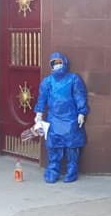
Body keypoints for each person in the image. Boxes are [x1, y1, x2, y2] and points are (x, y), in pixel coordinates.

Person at [34, 52, 89, 183]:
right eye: (54, 63)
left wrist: (81, 112)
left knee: (72, 145)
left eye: (59, 62)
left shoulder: (73, 79)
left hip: (70, 117)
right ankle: (53, 171)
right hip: (54, 118)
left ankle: (72, 171)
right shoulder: (47, 81)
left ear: (64, 63)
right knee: (53, 145)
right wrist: (39, 113)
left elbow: (79, 95)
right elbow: (42, 98)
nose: (57, 65)